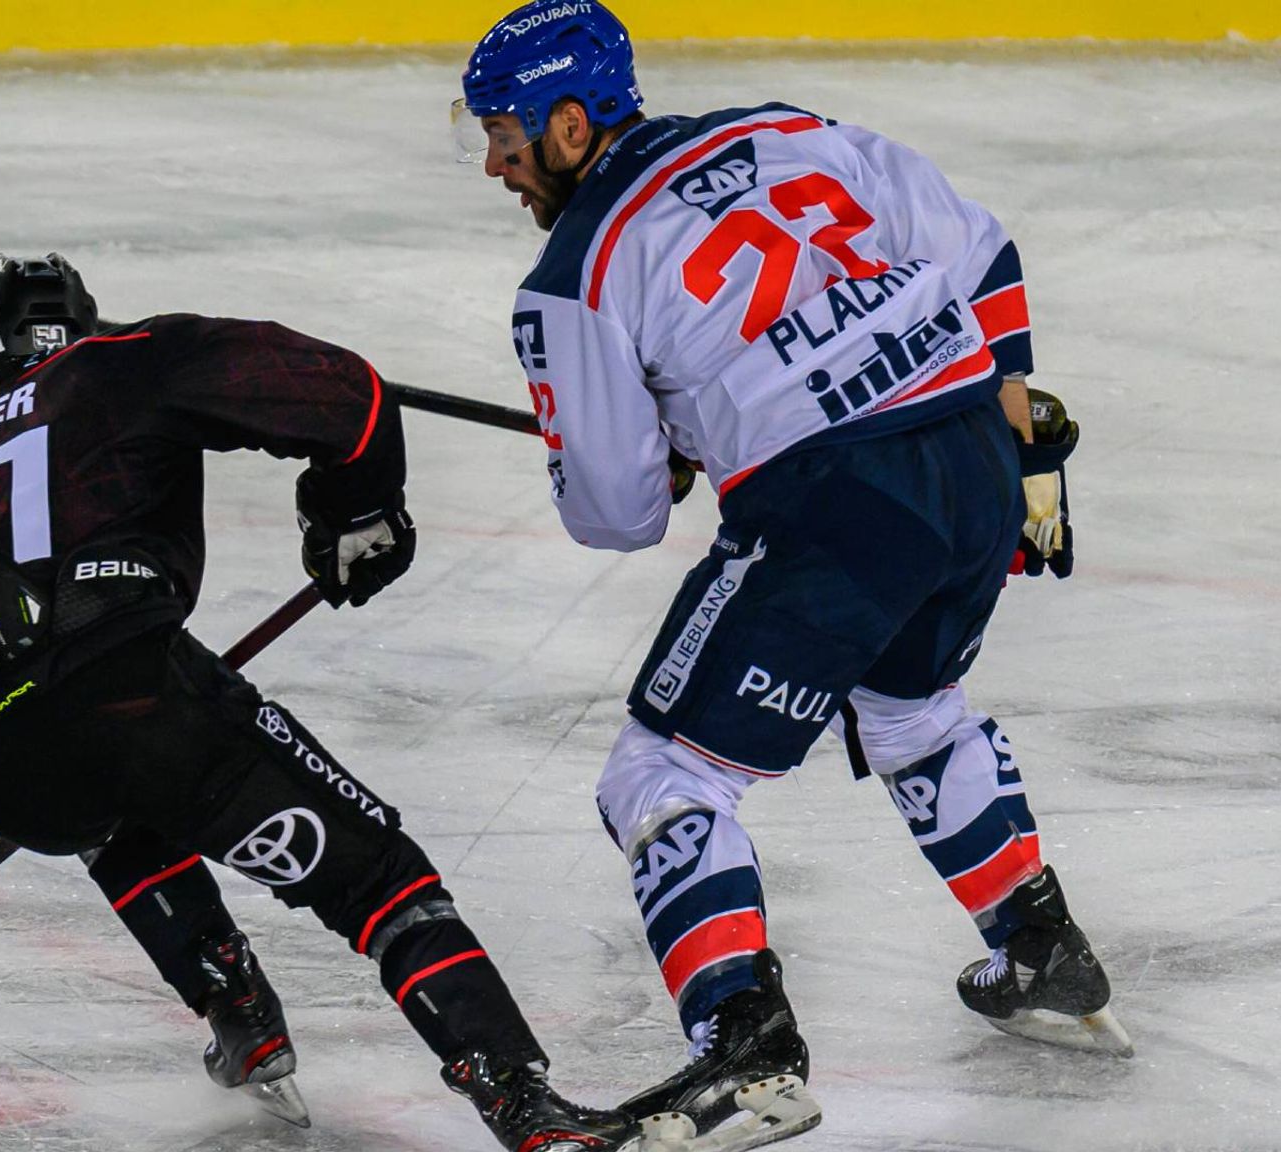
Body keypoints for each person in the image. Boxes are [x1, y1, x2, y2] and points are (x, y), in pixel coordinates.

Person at [451, 2, 1129, 1147]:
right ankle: (1039, 948)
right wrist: (1016, 427)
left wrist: (656, 453)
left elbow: (613, 514)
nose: (493, 164)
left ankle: (744, 1043)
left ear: (570, 125)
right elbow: (979, 245)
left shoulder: (573, 273)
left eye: (504, 135)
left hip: (836, 503)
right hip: (967, 456)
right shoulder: (785, 132)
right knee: (913, 707)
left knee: (659, 771)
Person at [0, 253, 641, 1150]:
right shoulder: (121, 359)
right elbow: (351, 396)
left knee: (108, 798)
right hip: (125, 691)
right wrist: (355, 510)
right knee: (377, 878)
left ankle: (233, 1004)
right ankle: (525, 1107)